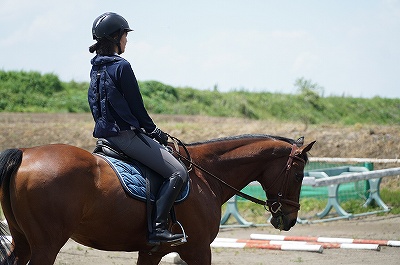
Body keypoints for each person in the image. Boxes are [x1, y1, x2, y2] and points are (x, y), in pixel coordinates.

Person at [88, 12, 188, 245]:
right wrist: (156, 133)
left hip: (104, 138)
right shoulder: (122, 66)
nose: (127, 41)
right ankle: (158, 229)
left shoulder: (96, 67)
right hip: (124, 137)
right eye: (125, 35)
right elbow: (137, 107)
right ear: (115, 37)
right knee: (178, 172)